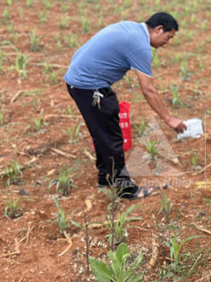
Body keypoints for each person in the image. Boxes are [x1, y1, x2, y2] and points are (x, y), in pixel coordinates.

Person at [64, 12, 187, 199]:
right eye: (168, 37)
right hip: (88, 86)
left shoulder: (131, 28)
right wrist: (169, 119)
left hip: (81, 82)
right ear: (158, 29)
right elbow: (148, 89)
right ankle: (125, 189)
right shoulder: (140, 46)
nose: (167, 42)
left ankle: (105, 177)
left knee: (102, 130)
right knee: (111, 136)